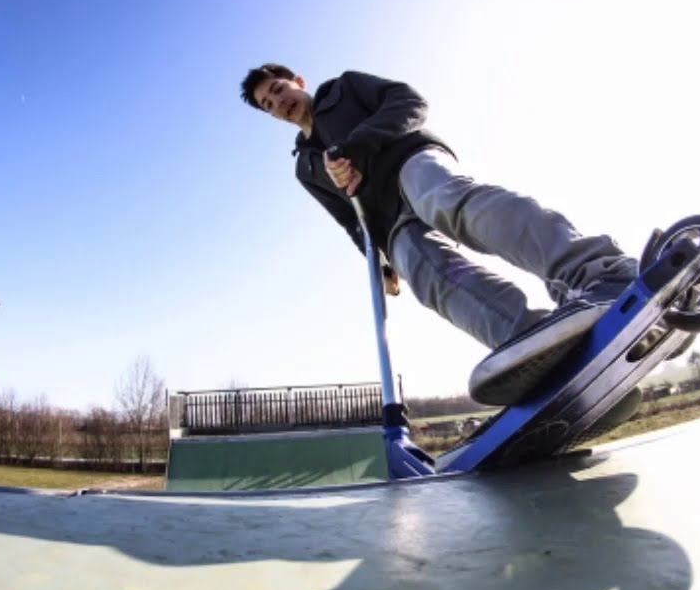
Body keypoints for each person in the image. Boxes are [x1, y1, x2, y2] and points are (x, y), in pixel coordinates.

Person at [239, 63, 641, 408]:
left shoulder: (345, 88)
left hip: (410, 162)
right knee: (429, 277)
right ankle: (537, 346)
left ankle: (599, 272)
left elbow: (410, 102)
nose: (279, 103)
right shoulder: (306, 168)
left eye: (278, 89)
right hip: (386, 219)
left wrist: (359, 144)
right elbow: (349, 220)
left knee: (450, 204)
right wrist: (380, 265)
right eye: (268, 104)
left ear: (298, 82)